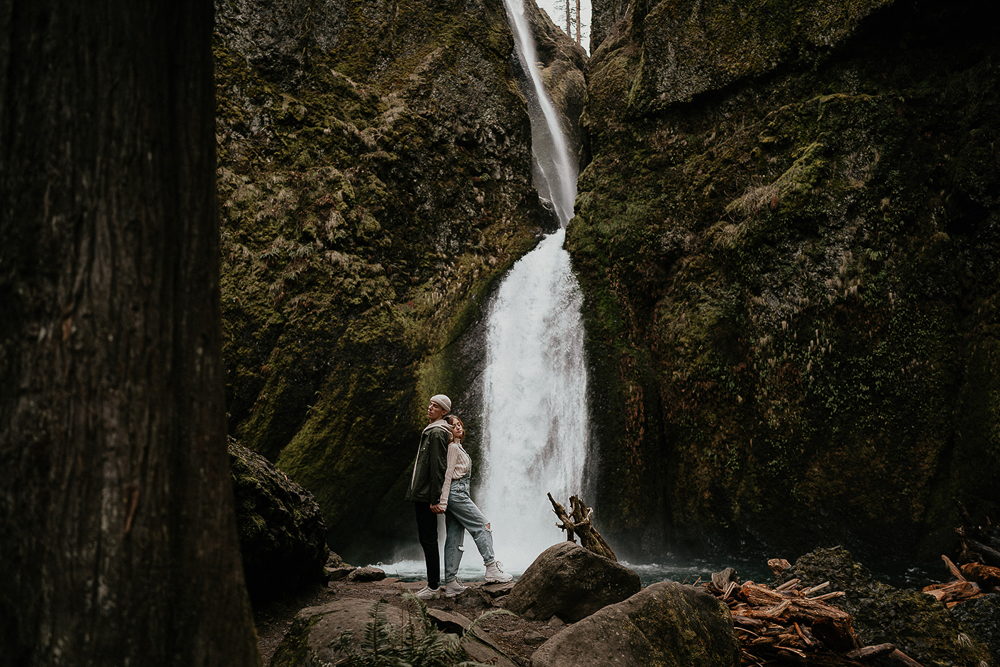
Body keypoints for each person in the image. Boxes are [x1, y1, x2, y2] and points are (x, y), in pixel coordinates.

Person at [433, 414, 512, 597]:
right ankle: (491, 567)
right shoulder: (453, 448)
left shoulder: (457, 447)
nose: (458, 427)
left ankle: (451, 583)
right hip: (457, 494)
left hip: (458, 493)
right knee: (483, 525)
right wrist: (443, 501)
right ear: (448, 431)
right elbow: (447, 476)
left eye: (459, 424)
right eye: (453, 426)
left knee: (454, 537)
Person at [405, 394, 452, 600]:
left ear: (444, 412)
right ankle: (434, 583)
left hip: (427, 496)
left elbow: (438, 466)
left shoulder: (436, 433)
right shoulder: (432, 431)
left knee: (429, 539)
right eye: (431, 404)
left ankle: (433, 586)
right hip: (423, 494)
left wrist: (435, 498)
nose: (430, 408)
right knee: (427, 539)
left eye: (436, 406)